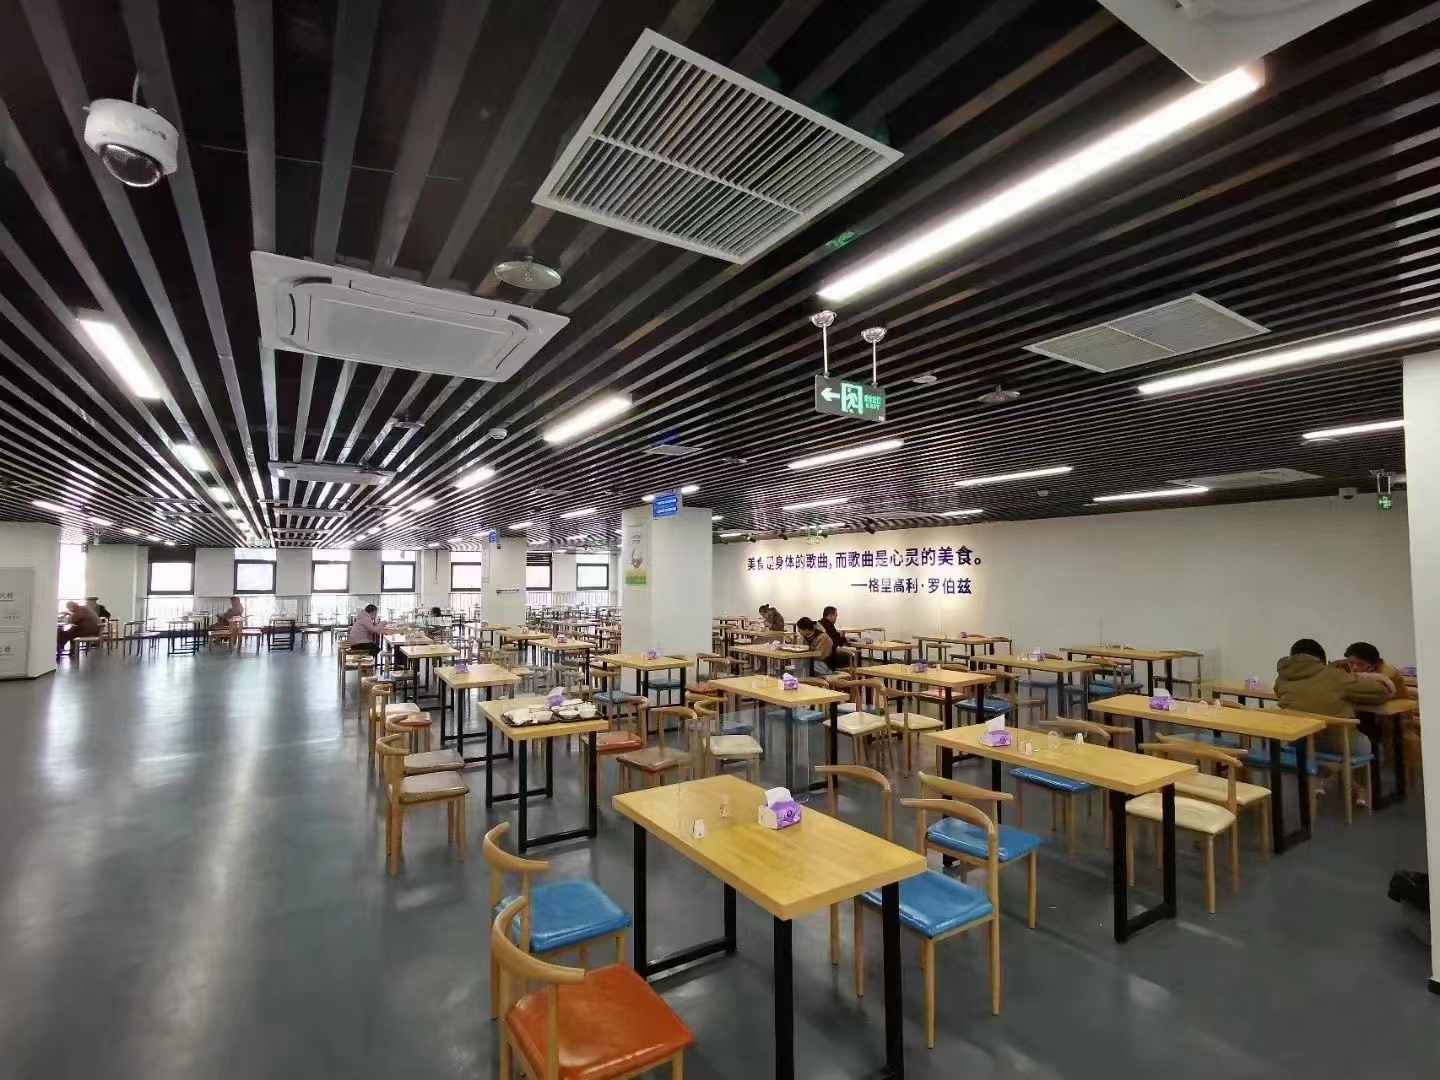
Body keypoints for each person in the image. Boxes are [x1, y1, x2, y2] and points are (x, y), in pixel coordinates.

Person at [1273, 638, 1392, 758]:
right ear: (1321, 660)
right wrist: (1364, 676)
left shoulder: (1281, 680)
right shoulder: (1337, 676)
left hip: (1296, 742)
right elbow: (1382, 691)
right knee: (1364, 741)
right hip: (1338, 745)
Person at [1334, 641, 1413, 700]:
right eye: (1350, 662)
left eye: (1361, 664)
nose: (1354, 667)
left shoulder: (1389, 674)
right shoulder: (1342, 665)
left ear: (1373, 666)